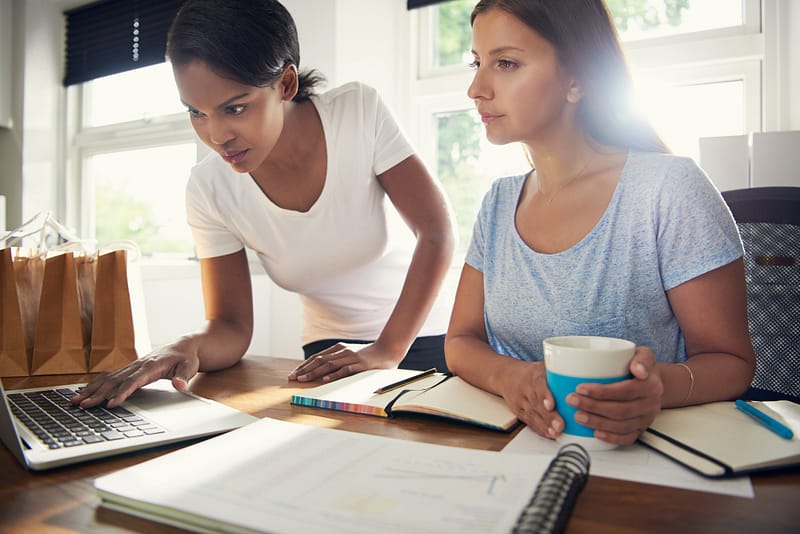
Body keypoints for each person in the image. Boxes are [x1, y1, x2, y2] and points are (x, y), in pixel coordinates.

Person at [72, 0, 456, 409]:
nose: (217, 135)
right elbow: (230, 325)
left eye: (234, 108)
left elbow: (436, 232)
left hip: (426, 334)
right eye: (196, 113)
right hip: (330, 352)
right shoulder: (208, 188)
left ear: (285, 84)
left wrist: (388, 349)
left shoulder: (356, 112)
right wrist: (182, 347)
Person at [445, 0, 756, 446]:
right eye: (477, 63)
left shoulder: (668, 189)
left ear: (577, 79)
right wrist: (510, 376)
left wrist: (658, 388)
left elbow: (731, 362)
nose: (476, 88)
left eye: (506, 63)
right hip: (511, 452)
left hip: (637, 459)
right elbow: (460, 340)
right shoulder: (498, 202)